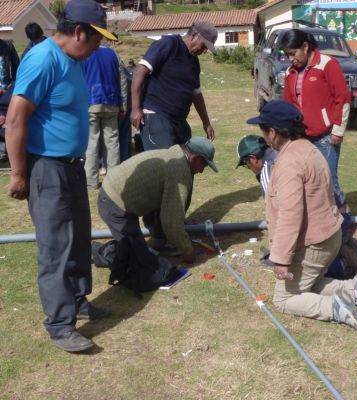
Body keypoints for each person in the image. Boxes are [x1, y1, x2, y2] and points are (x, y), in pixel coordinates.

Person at [5, 0, 118, 353]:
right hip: (46, 168)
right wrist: (19, 174)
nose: (99, 47)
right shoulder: (42, 60)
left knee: (79, 238)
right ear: (79, 32)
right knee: (56, 246)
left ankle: (78, 300)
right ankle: (59, 323)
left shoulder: (73, 61)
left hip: (71, 165)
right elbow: (15, 119)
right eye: (96, 39)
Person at [246, 100, 357, 332]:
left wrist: (280, 258)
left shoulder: (289, 162)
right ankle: (355, 289)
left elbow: (291, 214)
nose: (264, 137)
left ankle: (335, 307)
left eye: (263, 131)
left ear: (273, 133)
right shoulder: (311, 149)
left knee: (284, 299)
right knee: (307, 284)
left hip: (315, 244)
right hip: (330, 236)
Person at [236, 134, 357, 281]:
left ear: (252, 158)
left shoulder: (269, 172)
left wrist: (280, 255)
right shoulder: (295, 152)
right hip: (338, 218)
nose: (248, 168)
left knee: (306, 273)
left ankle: (344, 264)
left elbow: (284, 215)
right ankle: (341, 245)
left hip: (319, 230)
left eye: (246, 164)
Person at [97, 136, 218, 265]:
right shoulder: (180, 171)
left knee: (141, 255)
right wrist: (188, 252)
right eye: (204, 165)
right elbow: (172, 224)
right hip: (115, 205)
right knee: (139, 264)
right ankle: (96, 252)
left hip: (114, 194)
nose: (201, 171)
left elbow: (167, 209)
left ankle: (157, 243)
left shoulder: (176, 154)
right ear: (196, 158)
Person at [281, 29, 350, 210]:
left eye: (293, 53)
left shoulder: (327, 64)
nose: (290, 59)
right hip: (301, 137)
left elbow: (342, 98)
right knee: (309, 181)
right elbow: (288, 105)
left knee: (329, 182)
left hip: (326, 137)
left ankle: (343, 224)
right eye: (287, 55)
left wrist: (338, 130)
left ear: (305, 46)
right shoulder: (290, 72)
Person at [131, 21, 217, 151]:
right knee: (163, 164)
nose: (204, 51)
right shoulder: (169, 44)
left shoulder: (194, 62)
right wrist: (136, 108)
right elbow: (140, 71)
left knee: (184, 162)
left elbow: (196, 94)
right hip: (157, 115)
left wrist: (206, 122)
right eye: (204, 46)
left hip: (179, 121)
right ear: (194, 35)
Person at [83, 42, 128, 189]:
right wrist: (124, 104)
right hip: (111, 101)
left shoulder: (85, 52)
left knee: (92, 143)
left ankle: (91, 181)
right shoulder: (113, 53)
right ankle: (113, 180)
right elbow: (122, 79)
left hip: (90, 102)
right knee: (112, 143)